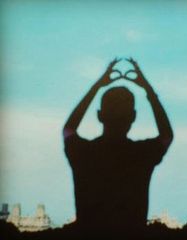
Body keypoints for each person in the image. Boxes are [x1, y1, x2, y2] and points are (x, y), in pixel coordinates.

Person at [63, 58, 173, 235]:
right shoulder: (141, 155)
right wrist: (148, 90)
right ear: (133, 116)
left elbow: (68, 129)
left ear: (99, 115)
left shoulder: (84, 153)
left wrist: (96, 87)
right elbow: (167, 135)